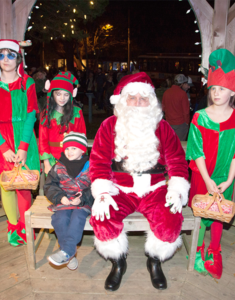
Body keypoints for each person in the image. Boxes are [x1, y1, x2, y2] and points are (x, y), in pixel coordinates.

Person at [89, 72, 190, 291]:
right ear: (123, 100)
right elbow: (98, 163)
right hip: (120, 190)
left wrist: (176, 189)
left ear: (151, 101)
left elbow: (178, 162)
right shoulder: (109, 126)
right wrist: (103, 193)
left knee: (170, 220)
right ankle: (118, 262)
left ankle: (155, 261)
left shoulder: (163, 128)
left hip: (155, 190)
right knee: (103, 219)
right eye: (132, 97)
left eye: (143, 98)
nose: (137, 103)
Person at [186, 48, 235, 279]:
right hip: (203, 175)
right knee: (202, 212)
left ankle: (215, 250)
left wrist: (229, 180)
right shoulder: (199, 117)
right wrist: (206, 179)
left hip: (224, 177)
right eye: (213, 88)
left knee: (219, 214)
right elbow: (196, 151)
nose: (216, 93)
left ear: (232, 91)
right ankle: (198, 249)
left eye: (221, 88)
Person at [0, 39, 40, 246]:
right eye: (1, 55)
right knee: (7, 185)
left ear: (18, 58)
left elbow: (31, 114)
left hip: (24, 136)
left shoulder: (27, 82)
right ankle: (13, 227)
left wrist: (23, 148)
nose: (6, 59)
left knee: (23, 184)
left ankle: (26, 226)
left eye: (11, 54)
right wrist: (3, 148)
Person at [44, 132, 94, 269]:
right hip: (63, 202)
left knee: (77, 219)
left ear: (83, 149)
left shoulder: (91, 166)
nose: (69, 152)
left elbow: (96, 187)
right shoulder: (58, 166)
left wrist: (82, 198)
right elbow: (49, 186)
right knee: (59, 220)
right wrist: (60, 197)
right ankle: (68, 252)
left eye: (73, 148)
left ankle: (66, 252)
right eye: (66, 148)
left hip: (81, 203)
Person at [39, 71, 86, 175]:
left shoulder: (77, 112)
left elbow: (82, 136)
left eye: (66, 94)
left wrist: (79, 159)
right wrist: (46, 164)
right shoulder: (46, 114)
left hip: (73, 159)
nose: (62, 98)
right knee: (54, 189)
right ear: (52, 93)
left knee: (71, 188)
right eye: (58, 94)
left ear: (71, 95)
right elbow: (43, 140)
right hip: (52, 159)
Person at [162, 74, 190, 141]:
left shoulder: (166, 93)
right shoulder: (183, 94)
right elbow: (186, 111)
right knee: (180, 145)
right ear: (182, 84)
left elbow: (163, 108)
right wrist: (187, 123)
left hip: (169, 123)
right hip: (180, 124)